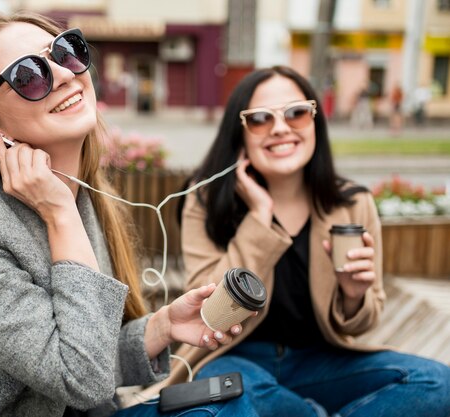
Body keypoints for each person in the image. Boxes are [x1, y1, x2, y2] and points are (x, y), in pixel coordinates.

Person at [0, 11, 246, 417]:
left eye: (66, 52)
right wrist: (60, 214)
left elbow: (67, 357)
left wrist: (162, 327)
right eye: (27, 75)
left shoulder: (80, 198)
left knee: (248, 388)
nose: (65, 75)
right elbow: (80, 378)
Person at [165, 66, 450, 416]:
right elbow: (210, 315)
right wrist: (259, 217)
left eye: (296, 112)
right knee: (229, 396)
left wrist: (354, 295)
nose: (281, 127)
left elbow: (365, 321)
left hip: (323, 362)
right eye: (259, 118)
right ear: (239, 134)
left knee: (436, 383)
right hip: (235, 361)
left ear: (315, 121)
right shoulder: (207, 200)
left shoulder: (352, 203)